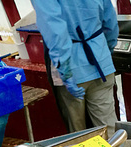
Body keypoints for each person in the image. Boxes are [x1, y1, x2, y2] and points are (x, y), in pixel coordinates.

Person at [31, 0, 119, 135]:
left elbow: (55, 30)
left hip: (72, 70)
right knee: (109, 130)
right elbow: (110, 21)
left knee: (79, 135)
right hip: (101, 62)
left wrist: (65, 72)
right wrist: (106, 51)